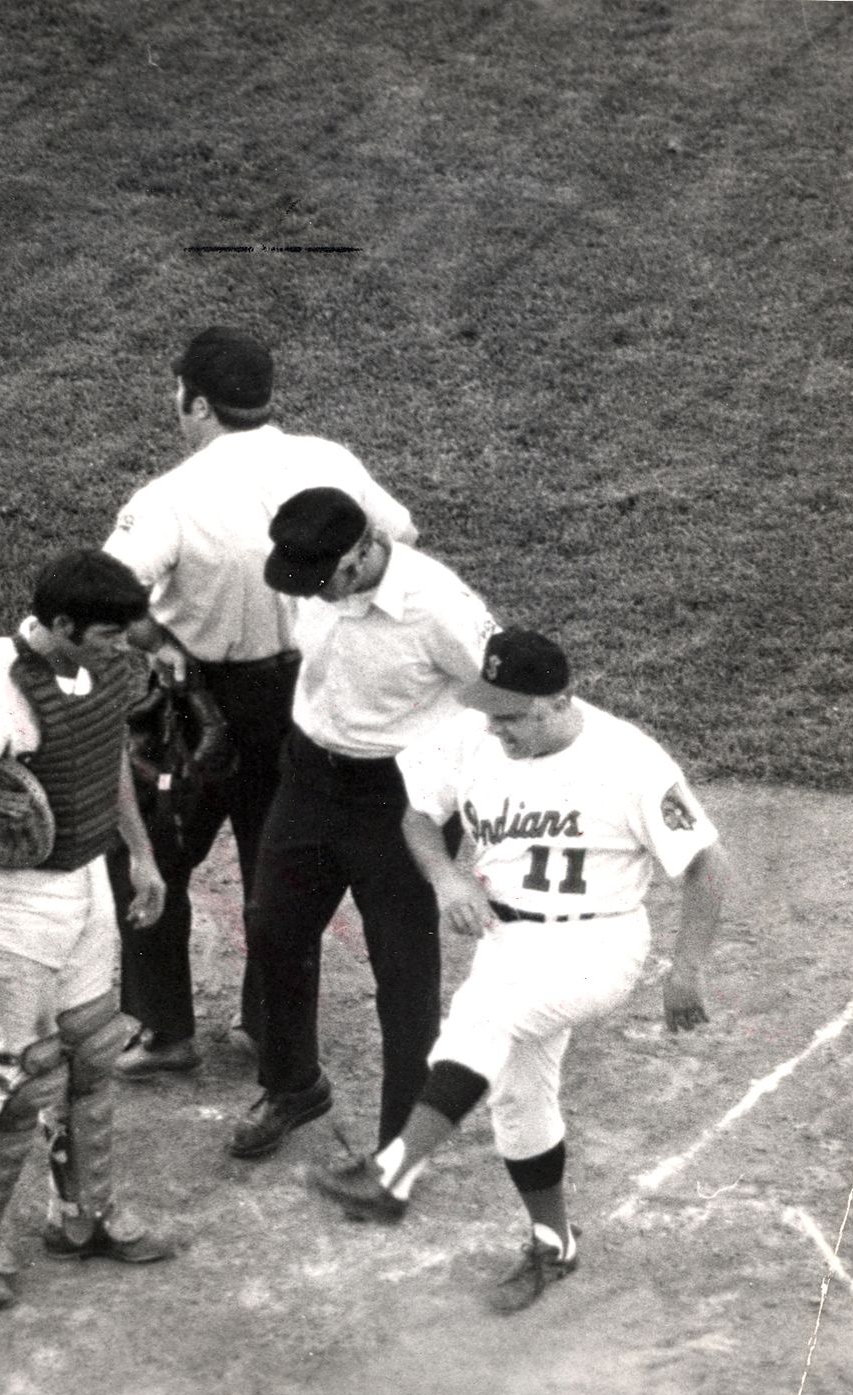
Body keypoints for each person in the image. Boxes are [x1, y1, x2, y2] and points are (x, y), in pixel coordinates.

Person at [311, 628, 729, 1314]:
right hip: (508, 943)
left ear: (561, 699)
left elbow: (709, 864)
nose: (496, 728)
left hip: (598, 946)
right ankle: (553, 1239)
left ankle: (393, 1174)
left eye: (512, 715)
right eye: (490, 711)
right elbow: (419, 817)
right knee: (517, 1098)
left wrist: (687, 968)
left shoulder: (631, 761)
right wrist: (447, 879)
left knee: (488, 1019)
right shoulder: (474, 734)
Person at [103, 326, 415, 1079]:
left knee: (145, 855)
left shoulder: (170, 497)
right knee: (281, 870)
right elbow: (399, 536)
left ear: (199, 404)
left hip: (197, 706)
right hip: (307, 701)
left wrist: (158, 643)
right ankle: (269, 1029)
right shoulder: (328, 461)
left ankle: (165, 1028)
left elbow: (109, 597)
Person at [0, 549, 173, 1310]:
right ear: (60, 625)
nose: (121, 647)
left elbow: (106, 758)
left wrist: (144, 855)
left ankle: (82, 1215)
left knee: (93, 1053)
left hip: (87, 881)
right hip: (13, 904)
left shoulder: (100, 665)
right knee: (20, 1077)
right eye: (106, 636)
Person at [228, 486, 498, 1159]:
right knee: (273, 930)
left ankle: (400, 1148)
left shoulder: (438, 606)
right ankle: (293, 1086)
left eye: (326, 581)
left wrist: (465, 798)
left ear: (365, 549)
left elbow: (494, 701)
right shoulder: (311, 579)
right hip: (310, 778)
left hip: (399, 800)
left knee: (403, 974)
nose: (314, 594)